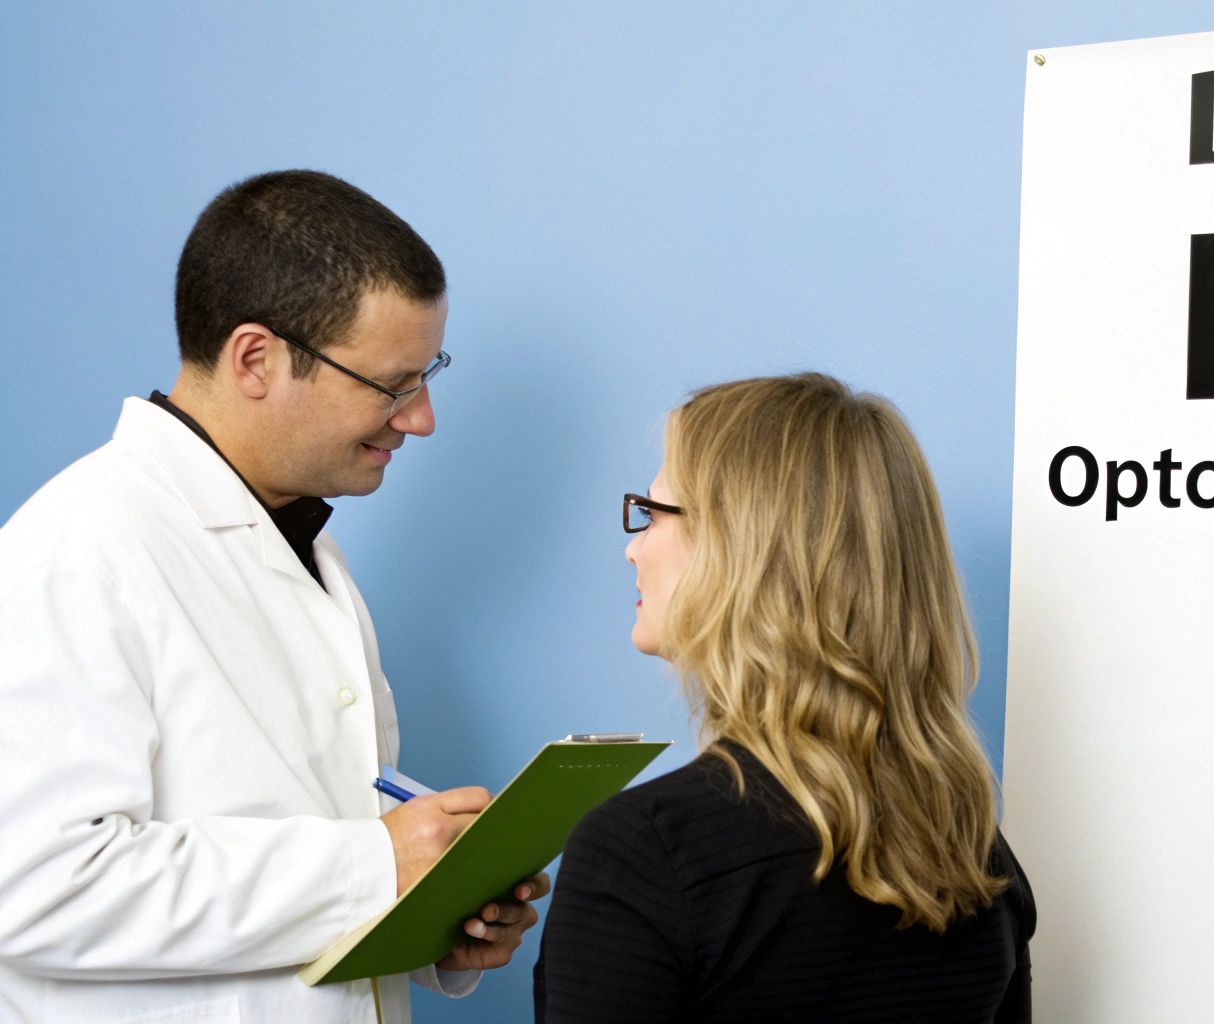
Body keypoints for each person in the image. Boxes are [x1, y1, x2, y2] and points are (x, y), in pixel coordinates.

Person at [0, 170, 547, 1022]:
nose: (422, 418)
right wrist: (372, 868)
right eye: (393, 383)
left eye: (428, 372)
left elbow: (315, 826)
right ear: (256, 359)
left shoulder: (305, 548)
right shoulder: (74, 550)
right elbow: (33, 886)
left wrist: (438, 903)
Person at [535, 373, 1035, 1022]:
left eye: (654, 513)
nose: (634, 548)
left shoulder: (644, 855)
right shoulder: (972, 851)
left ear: (739, 549)